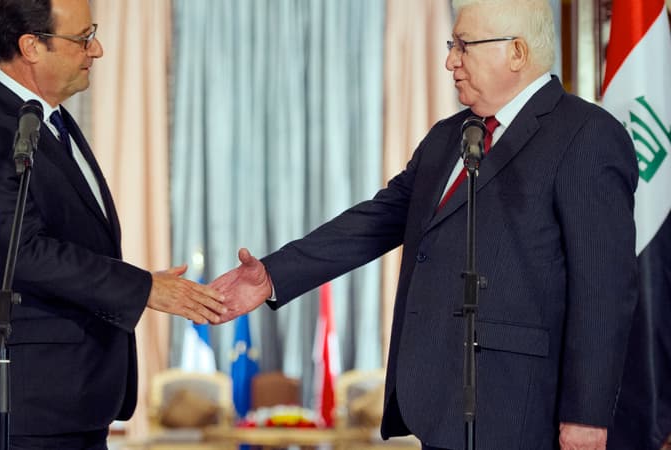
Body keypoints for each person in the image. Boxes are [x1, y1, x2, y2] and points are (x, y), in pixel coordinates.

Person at [210, 0, 638, 449]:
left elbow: (603, 290)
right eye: (452, 45)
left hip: (526, 408)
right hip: (443, 406)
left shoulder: (587, 134)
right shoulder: (448, 137)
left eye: (464, 46)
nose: (450, 60)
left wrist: (586, 415)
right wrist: (273, 275)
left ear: (517, 52)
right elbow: (376, 220)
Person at [0, 0, 225, 448]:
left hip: (74, 398)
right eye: (82, 39)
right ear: (32, 46)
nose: (97, 51)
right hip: (27, 402)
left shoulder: (50, 123)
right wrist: (143, 287)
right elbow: (25, 253)